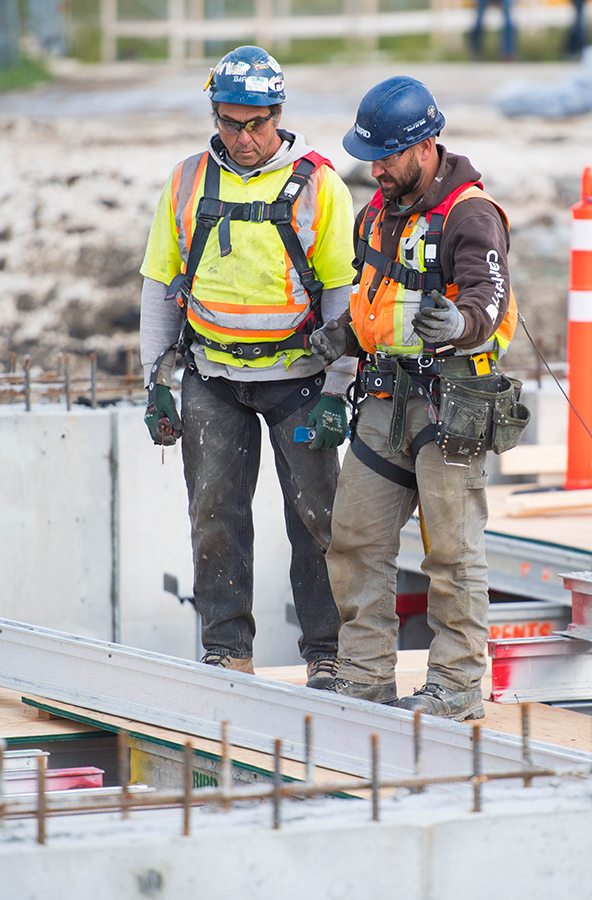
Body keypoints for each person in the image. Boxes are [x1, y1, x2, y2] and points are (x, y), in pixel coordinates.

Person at [139, 46, 357, 688]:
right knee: (215, 514)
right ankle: (226, 651)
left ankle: (328, 652)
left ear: (279, 113)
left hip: (299, 382)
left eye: (257, 122)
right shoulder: (186, 182)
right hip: (214, 379)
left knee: (317, 517)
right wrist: (157, 382)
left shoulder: (319, 184)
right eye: (231, 123)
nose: (245, 137)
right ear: (215, 115)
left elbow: (343, 294)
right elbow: (160, 284)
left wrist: (336, 393)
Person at [311, 76, 524, 720]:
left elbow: (488, 298)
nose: (374, 167)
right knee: (354, 539)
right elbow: (380, 297)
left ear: (426, 146)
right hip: (382, 398)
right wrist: (344, 335)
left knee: (452, 551)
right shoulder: (377, 209)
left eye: (387, 156)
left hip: (448, 405)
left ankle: (457, 686)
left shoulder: (471, 214)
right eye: (370, 155)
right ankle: (365, 675)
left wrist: (461, 325)